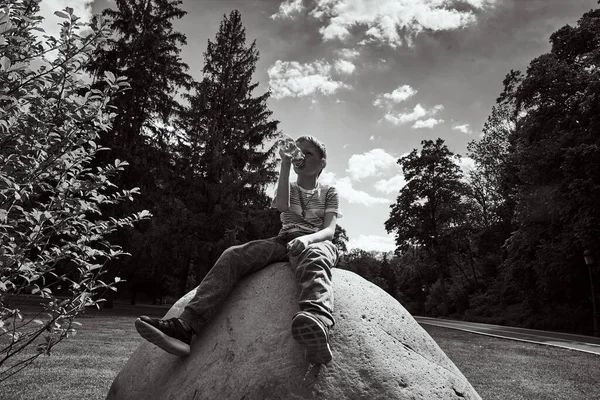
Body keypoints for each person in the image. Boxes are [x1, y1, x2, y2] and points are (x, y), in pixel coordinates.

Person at [134, 135, 342, 364]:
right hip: (283, 241)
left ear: (322, 163)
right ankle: (185, 327)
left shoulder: (329, 192)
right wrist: (284, 163)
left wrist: (309, 240)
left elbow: (329, 230)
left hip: (317, 243)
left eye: (308, 153)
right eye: (299, 152)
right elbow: (282, 205)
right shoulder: (290, 186)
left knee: (314, 259)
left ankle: (317, 322)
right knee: (233, 255)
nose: (301, 156)